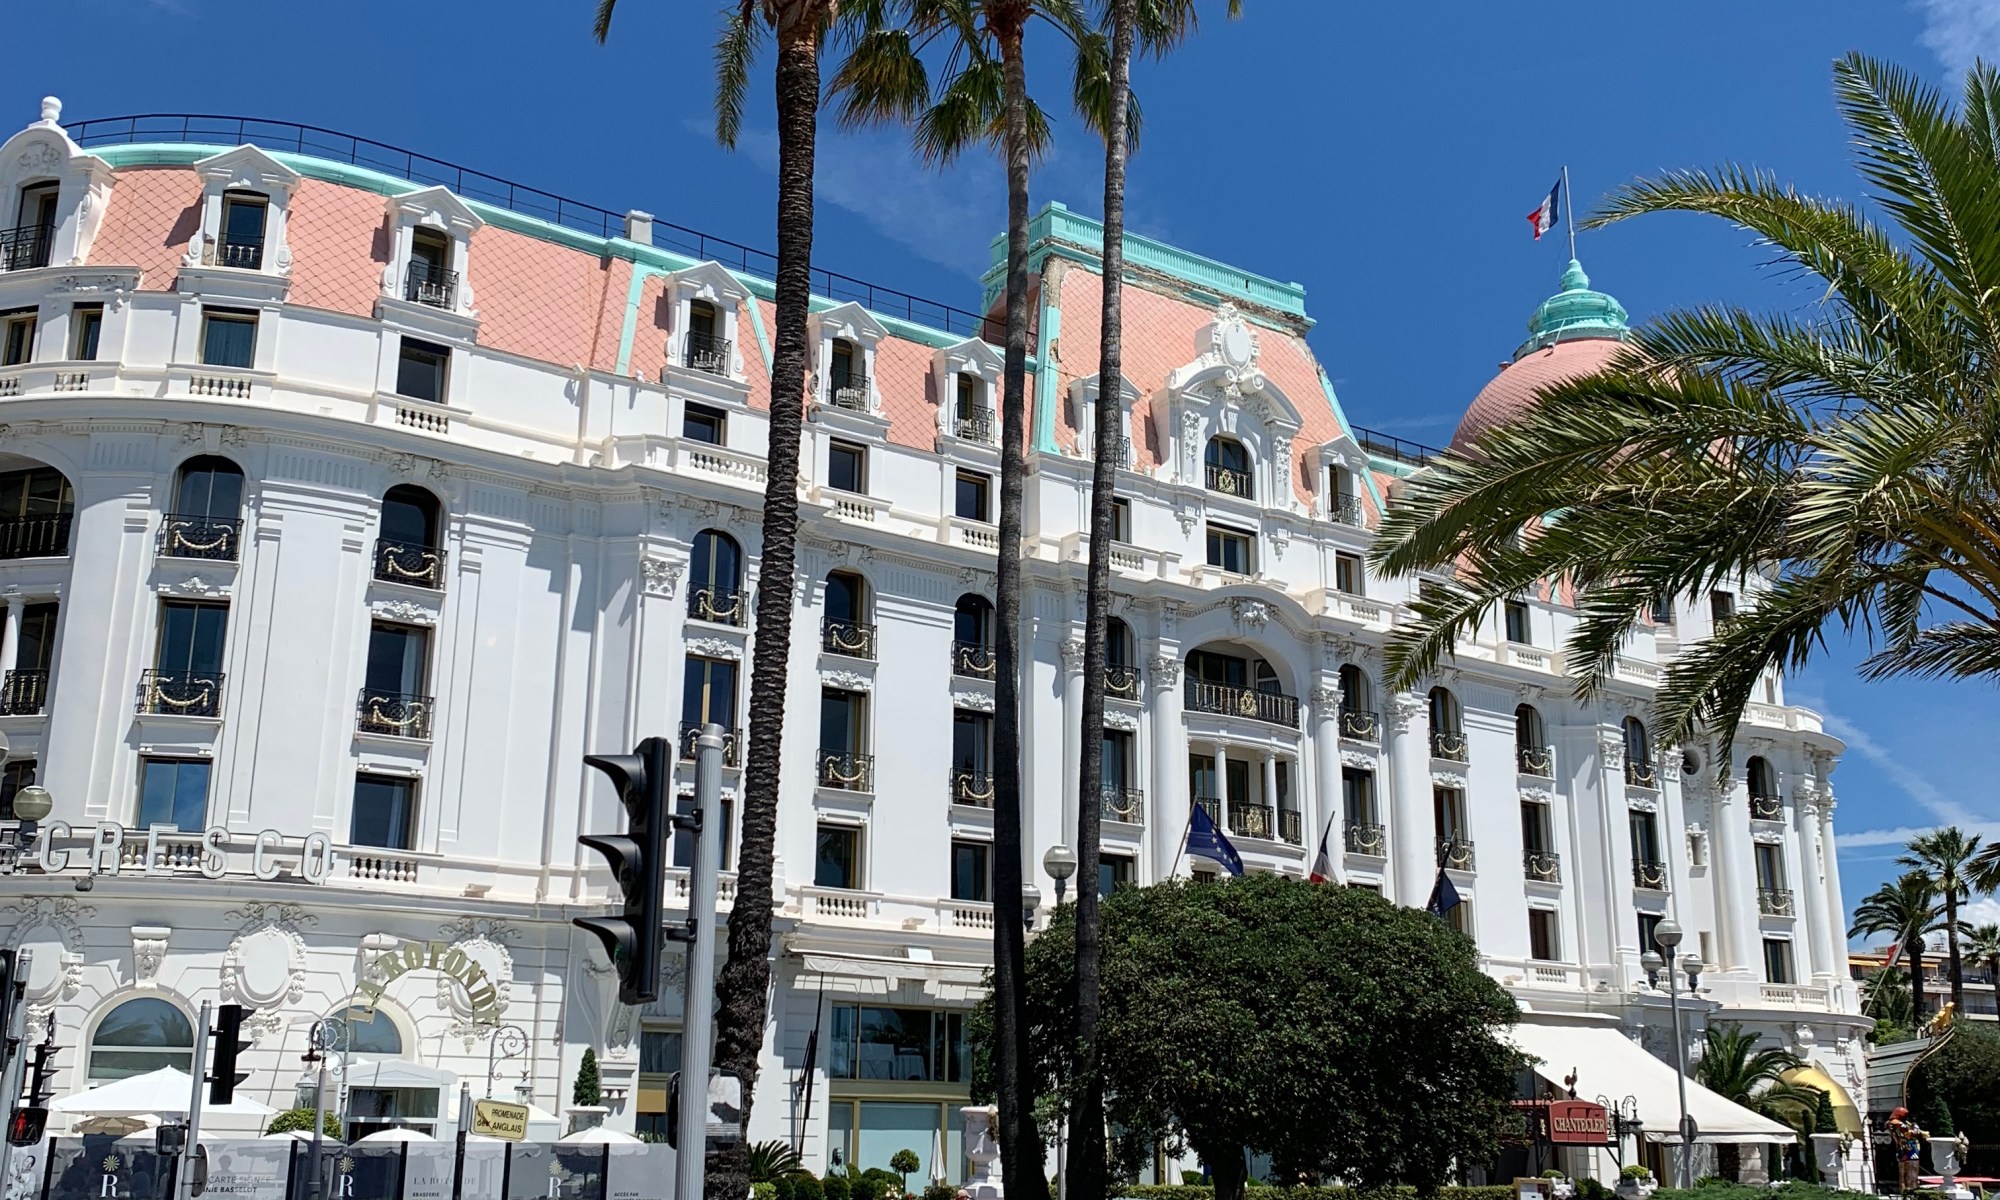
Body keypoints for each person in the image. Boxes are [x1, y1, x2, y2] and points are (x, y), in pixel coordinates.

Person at [1887, 1106, 1926, 1194]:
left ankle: (1903, 1191)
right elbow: (1912, 1132)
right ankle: (1911, 1191)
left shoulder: (1890, 1123)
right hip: (1910, 1150)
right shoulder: (1897, 1123)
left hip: (1901, 1150)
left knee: (1902, 1173)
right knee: (1912, 1170)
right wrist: (1916, 1127)